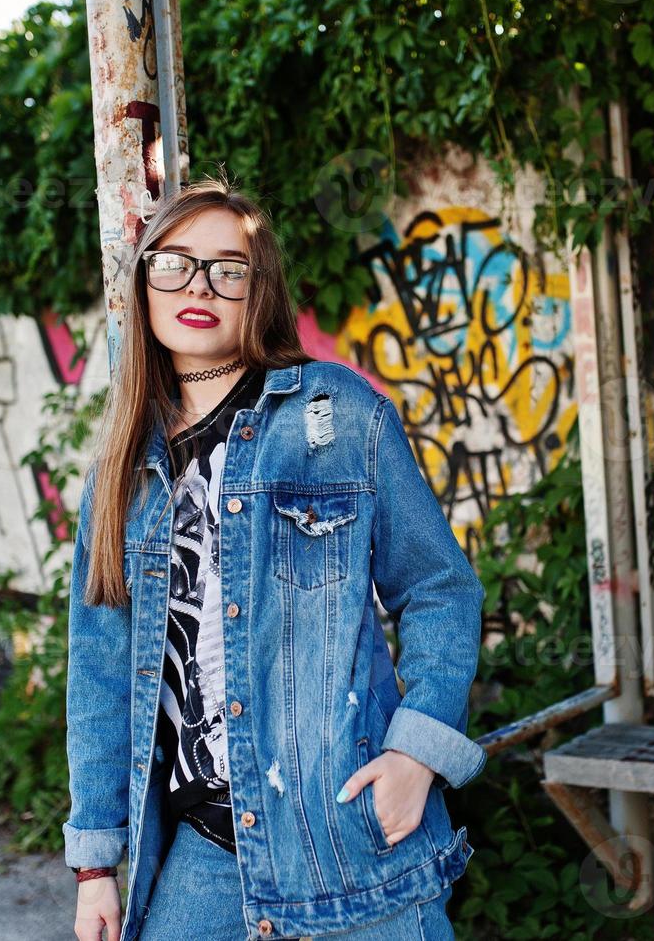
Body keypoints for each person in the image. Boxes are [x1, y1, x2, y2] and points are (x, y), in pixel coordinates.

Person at [64, 175, 486, 941]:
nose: (201, 285)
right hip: (202, 853)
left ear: (259, 291)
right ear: (143, 278)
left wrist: (416, 757)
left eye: (229, 268)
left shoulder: (334, 413)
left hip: (348, 835)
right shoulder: (119, 474)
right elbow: (100, 672)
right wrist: (96, 866)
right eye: (175, 262)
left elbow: (438, 589)